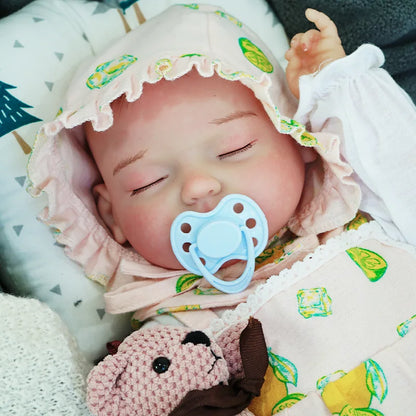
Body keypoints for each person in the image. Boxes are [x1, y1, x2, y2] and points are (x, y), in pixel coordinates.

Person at [27, 4, 416, 414]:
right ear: (110, 216)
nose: (198, 187)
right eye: (148, 182)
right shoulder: (171, 344)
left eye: (235, 149)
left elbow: (398, 156)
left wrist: (339, 86)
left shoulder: (371, 212)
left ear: (297, 139)